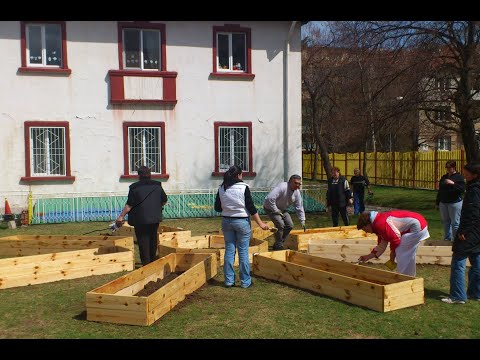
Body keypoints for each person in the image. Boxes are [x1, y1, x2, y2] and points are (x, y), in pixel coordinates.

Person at [215, 165, 269, 288]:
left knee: (229, 250)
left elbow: (217, 207)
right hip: (241, 221)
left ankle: (229, 280)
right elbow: (251, 207)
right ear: (239, 175)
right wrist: (260, 223)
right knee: (243, 251)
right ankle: (245, 282)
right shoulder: (243, 187)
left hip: (226, 221)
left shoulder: (222, 188)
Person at [441, 161, 480, 304]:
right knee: (476, 259)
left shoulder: (474, 190)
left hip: (471, 231)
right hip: (476, 232)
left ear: (475, 175)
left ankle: (458, 296)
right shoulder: (474, 187)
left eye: (467, 173)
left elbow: (473, 213)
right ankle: (476, 292)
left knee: (458, 261)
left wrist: (463, 231)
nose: (464, 175)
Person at [116, 165, 168, 267]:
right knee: (153, 240)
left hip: (140, 219)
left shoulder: (134, 187)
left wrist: (120, 217)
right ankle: (152, 262)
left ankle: (146, 264)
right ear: (150, 174)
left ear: (139, 175)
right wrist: (156, 207)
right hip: (154, 218)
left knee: (143, 241)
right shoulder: (157, 185)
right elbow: (164, 200)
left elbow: (129, 205)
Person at [357, 210, 430, 276]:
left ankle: (404, 279)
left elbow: (395, 238)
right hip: (419, 224)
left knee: (401, 252)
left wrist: (393, 253)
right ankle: (408, 277)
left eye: (364, 229)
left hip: (417, 226)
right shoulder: (377, 225)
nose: (366, 232)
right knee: (405, 253)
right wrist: (368, 256)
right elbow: (381, 245)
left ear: (368, 224)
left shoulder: (380, 224)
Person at [263, 174, 306, 251]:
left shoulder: (297, 193)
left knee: (290, 225)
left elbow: (299, 206)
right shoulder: (282, 187)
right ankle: (279, 246)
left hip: (282, 209)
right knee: (280, 224)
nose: (297, 185)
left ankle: (278, 243)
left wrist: (302, 220)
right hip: (270, 207)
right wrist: (276, 210)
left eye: (299, 183)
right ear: (290, 182)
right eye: (295, 183)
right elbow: (270, 199)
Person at [436, 160, 465, 241]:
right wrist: (437, 202)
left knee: (455, 223)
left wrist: (453, 183)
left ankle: (456, 240)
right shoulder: (444, 177)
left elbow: (462, 189)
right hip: (443, 203)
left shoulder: (459, 177)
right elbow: (440, 190)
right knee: (445, 222)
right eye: (447, 167)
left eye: (450, 167)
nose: (449, 169)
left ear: (454, 167)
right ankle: (447, 239)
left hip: (454, 203)